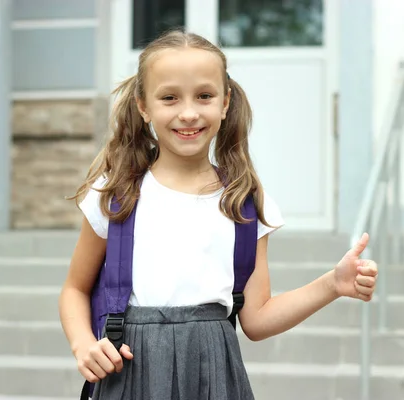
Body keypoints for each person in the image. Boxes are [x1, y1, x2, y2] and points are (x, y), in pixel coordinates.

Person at [58, 29, 378, 400]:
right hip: (129, 373)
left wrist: (332, 285)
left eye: (205, 96)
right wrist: (84, 344)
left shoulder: (244, 201)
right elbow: (75, 289)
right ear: (143, 106)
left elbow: (256, 320)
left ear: (225, 104)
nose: (189, 112)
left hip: (214, 377)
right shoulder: (115, 194)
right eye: (169, 98)